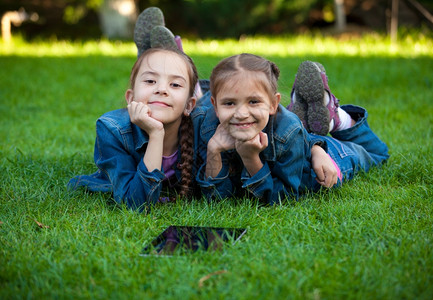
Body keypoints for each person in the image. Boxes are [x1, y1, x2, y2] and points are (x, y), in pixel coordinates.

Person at [193, 54, 389, 204]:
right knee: (299, 131)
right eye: (229, 103)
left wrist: (251, 158)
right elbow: (218, 200)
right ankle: (311, 128)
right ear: (214, 105)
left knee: (377, 154)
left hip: (317, 163)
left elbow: (282, 197)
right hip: (296, 135)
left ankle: (340, 120)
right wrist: (213, 153)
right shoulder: (207, 126)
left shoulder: (288, 133)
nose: (241, 113)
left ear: (273, 104)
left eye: (253, 101)